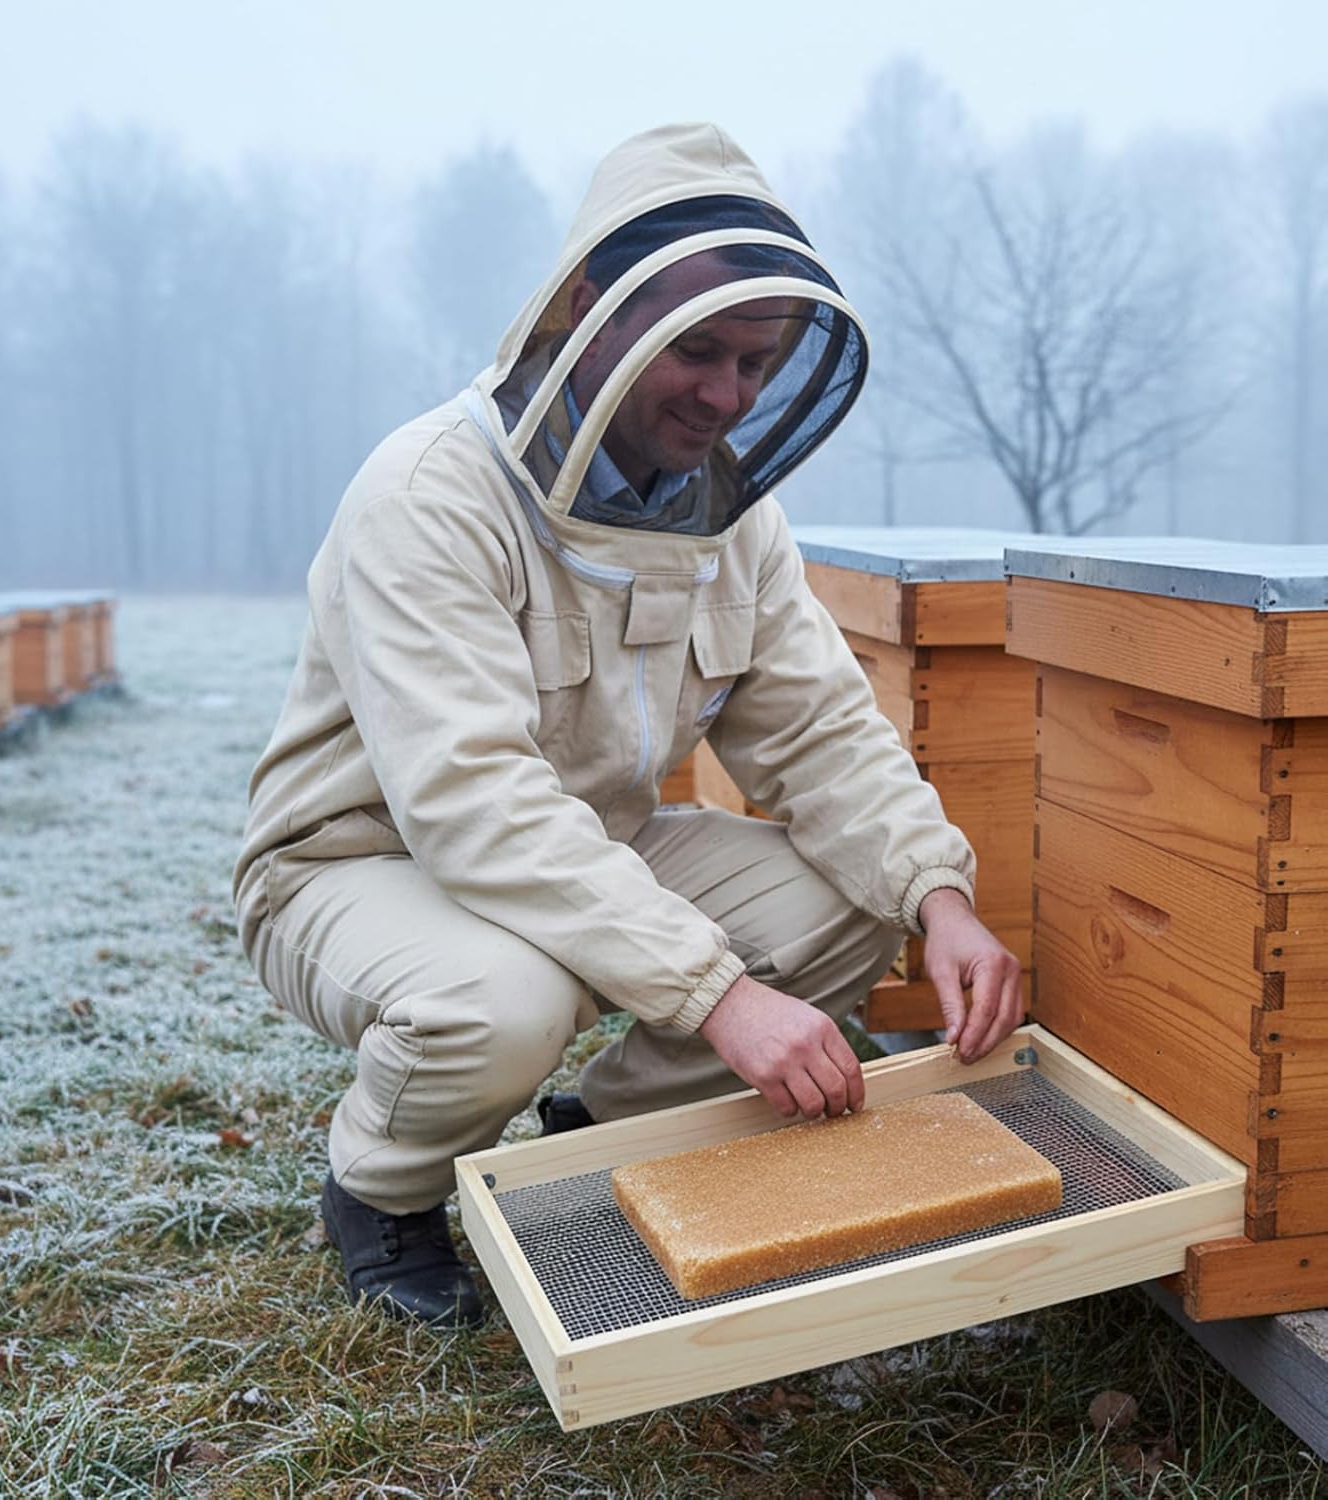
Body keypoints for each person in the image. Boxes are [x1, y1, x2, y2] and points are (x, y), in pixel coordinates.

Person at [233, 123, 1023, 1327]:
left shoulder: (729, 517)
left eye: (756, 362)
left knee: (855, 898)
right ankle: (380, 1194)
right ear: (591, 311)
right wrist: (719, 995)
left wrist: (940, 899)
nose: (727, 394)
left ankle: (592, 1137)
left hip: (597, 841)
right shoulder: (429, 495)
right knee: (503, 1004)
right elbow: (474, 807)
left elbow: (819, 731)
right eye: (697, 350)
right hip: (359, 860)